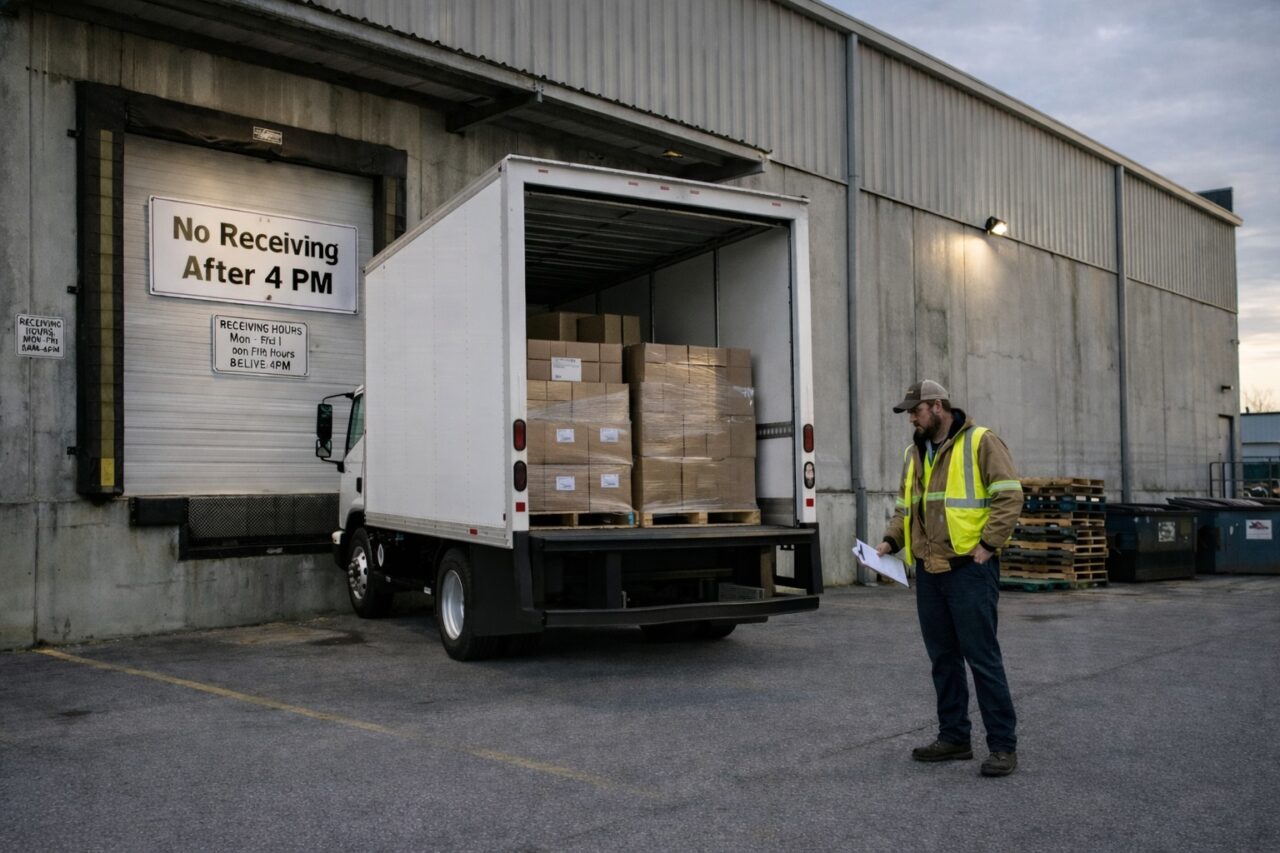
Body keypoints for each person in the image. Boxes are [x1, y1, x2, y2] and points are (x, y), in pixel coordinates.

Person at [875, 380, 1024, 777]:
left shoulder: (980, 441)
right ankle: (954, 737)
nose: (911, 417)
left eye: (915, 410)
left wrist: (989, 545)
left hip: (969, 572)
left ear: (937, 406)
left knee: (983, 659)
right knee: (943, 659)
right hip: (930, 571)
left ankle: (1003, 747)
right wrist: (891, 541)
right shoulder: (915, 453)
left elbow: (1010, 495)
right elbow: (905, 506)